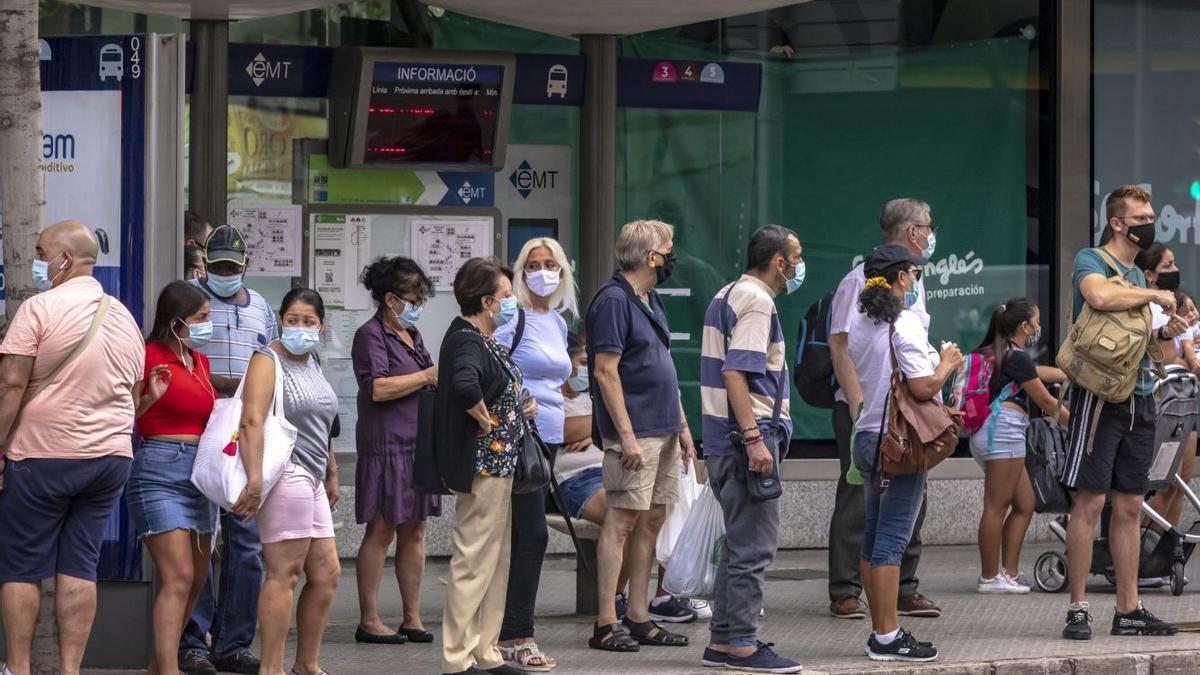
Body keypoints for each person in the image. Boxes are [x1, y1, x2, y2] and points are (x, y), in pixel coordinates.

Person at [0, 221, 144, 675]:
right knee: (80, 563)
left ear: (65, 258)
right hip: (109, 459)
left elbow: (10, 384)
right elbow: (134, 394)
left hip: (43, 456)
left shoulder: (38, 308)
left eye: (42, 251)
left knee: (21, 566)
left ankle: (19, 668)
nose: (38, 260)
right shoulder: (123, 316)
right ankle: (70, 671)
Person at [1061, 185, 1186, 640]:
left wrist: (1166, 330)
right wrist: (1153, 299)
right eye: (1141, 217)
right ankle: (1078, 607)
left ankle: (1128, 609)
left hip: (1140, 396)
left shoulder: (1138, 277)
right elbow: (1097, 297)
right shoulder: (1092, 261)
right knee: (1090, 502)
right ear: (1118, 223)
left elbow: (1144, 342)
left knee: (1131, 505)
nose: (1149, 223)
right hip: (1098, 399)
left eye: (1151, 215)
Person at [416, 258, 533, 675]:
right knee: (472, 560)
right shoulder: (467, 340)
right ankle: (457, 659)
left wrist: (517, 408)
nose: (512, 302)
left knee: (494, 560)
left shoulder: (480, 337)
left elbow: (490, 384)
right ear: (486, 301)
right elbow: (464, 384)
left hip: (498, 466)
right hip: (483, 466)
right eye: (506, 296)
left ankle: (486, 651)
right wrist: (485, 419)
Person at [697, 224, 805, 673]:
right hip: (746, 438)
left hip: (724, 438)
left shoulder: (727, 294)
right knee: (754, 546)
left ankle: (723, 639)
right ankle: (742, 643)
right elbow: (737, 373)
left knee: (740, 542)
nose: (799, 265)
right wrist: (755, 438)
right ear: (779, 262)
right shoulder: (758, 302)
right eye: (796, 257)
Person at [827, 198, 942, 620]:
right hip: (868, 411)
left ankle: (903, 589)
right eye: (928, 227)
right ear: (912, 231)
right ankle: (846, 591)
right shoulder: (856, 281)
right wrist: (858, 406)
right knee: (860, 503)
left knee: (911, 502)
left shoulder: (914, 281)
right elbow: (839, 348)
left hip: (907, 413)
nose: (931, 234)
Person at [585, 219, 696, 653]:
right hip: (636, 433)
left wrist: (683, 428)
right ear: (652, 257)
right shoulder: (613, 300)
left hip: (663, 428)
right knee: (622, 522)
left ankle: (638, 615)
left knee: (652, 520)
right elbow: (605, 372)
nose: (673, 255)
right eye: (669, 247)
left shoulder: (648, 297)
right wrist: (626, 437)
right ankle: (605, 622)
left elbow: (663, 365)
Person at [849, 244, 960, 662]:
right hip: (899, 441)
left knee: (874, 537)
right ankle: (887, 634)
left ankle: (881, 630)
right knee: (892, 541)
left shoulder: (863, 321)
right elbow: (922, 387)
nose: (916, 281)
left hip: (867, 435)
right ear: (900, 277)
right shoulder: (905, 321)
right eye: (914, 274)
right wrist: (946, 362)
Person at [228, 288, 341, 675]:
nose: (300, 328)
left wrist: (332, 471)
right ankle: (271, 668)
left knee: (326, 574)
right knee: (284, 573)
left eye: (309, 321)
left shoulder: (313, 361)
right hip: (283, 473)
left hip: (312, 475)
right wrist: (256, 479)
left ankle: (306, 664)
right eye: (293, 319)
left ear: (321, 327)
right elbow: (251, 420)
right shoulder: (267, 359)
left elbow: (324, 425)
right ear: (280, 320)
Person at [182, 224, 277, 675]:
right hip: (200, 430)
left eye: (231, 268)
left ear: (244, 267)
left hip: (246, 435)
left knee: (246, 542)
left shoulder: (260, 307)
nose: (224, 274)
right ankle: (193, 640)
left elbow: (273, 362)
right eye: (217, 266)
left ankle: (233, 642)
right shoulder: (190, 302)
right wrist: (230, 386)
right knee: (201, 536)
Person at [128, 281, 220, 675]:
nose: (207, 325)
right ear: (176, 319)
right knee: (178, 575)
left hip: (198, 474)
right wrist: (150, 396)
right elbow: (125, 414)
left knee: (197, 580)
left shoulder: (199, 361)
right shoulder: (149, 356)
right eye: (200, 318)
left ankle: (157, 665)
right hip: (158, 467)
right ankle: (169, 669)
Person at [493, 238, 576, 671]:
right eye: (533, 264)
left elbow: (560, 379)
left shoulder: (558, 323)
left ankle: (507, 629)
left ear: (562, 272)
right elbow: (491, 367)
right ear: (520, 271)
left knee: (524, 535)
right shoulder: (515, 319)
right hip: (517, 439)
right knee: (531, 535)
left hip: (549, 439)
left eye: (551, 264)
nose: (543, 272)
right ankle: (516, 634)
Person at [352, 256, 441, 646]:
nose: (419, 304)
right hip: (386, 444)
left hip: (418, 443)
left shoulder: (413, 336)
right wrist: (425, 377)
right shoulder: (370, 335)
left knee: (416, 529)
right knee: (382, 527)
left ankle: (412, 617)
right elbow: (378, 388)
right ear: (390, 299)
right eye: (414, 296)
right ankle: (369, 619)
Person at [969, 298, 1067, 594]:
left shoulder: (1000, 353)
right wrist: (1081, 426)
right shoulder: (1016, 357)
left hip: (993, 432)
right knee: (996, 507)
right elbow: (1047, 402)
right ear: (1024, 326)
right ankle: (989, 578)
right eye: (1036, 322)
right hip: (1004, 433)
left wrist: (1071, 374)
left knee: (1025, 504)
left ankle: (1008, 573)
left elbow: (1036, 371)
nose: (1038, 327)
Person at [1137, 245, 1198, 585]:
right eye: (1169, 264)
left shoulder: (1176, 307)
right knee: (1158, 484)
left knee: (1180, 482)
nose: (1175, 268)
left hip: (1183, 399)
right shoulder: (1148, 308)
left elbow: (1187, 353)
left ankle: (1163, 553)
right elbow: (1162, 358)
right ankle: (1141, 555)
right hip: (1159, 398)